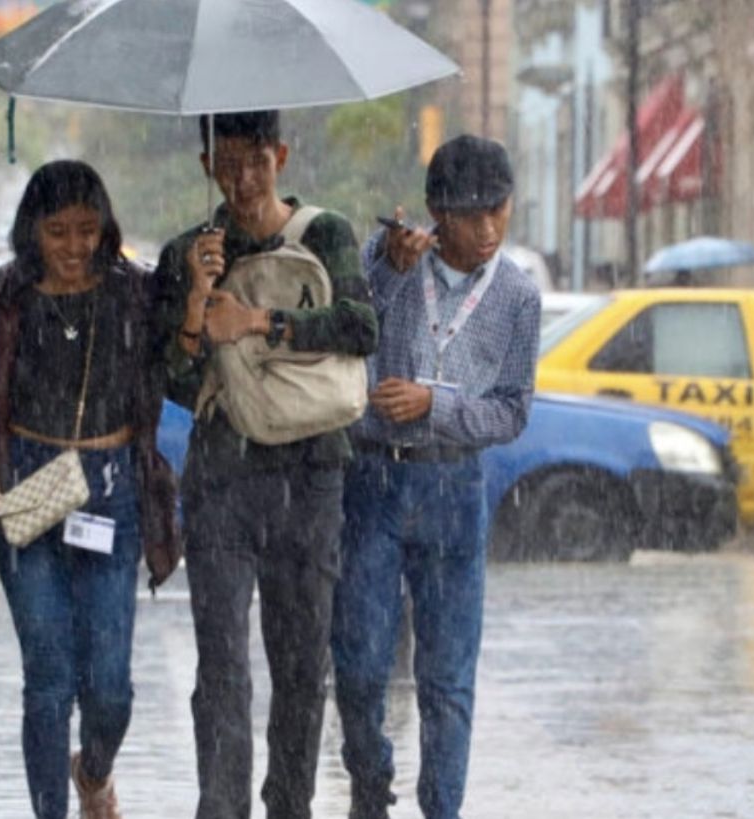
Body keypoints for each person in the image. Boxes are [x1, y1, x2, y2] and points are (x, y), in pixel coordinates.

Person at [0, 160, 177, 819]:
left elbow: (187, 358)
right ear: (32, 230)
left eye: (87, 230)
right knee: (48, 681)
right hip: (27, 491)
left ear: (106, 229)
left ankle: (92, 772)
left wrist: (201, 289)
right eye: (58, 231)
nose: (73, 246)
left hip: (112, 490)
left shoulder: (136, 295)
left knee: (110, 688)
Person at [155, 110, 378, 819]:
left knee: (302, 663)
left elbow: (361, 327)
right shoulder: (188, 251)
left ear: (281, 156)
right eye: (228, 164)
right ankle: (221, 807)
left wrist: (260, 322)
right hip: (222, 476)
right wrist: (197, 303)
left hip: (313, 474)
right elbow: (174, 381)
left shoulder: (326, 234)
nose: (244, 179)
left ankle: (290, 804)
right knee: (222, 664)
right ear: (207, 166)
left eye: (257, 161)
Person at [331, 134, 542, 819]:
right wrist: (390, 271)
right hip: (374, 479)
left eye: (498, 211)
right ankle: (370, 779)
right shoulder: (389, 257)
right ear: (437, 212)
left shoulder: (518, 296)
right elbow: (349, 334)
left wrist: (436, 404)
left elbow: (512, 411)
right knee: (359, 661)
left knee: (448, 677)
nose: (487, 230)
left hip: (455, 486)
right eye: (470, 215)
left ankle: (442, 808)